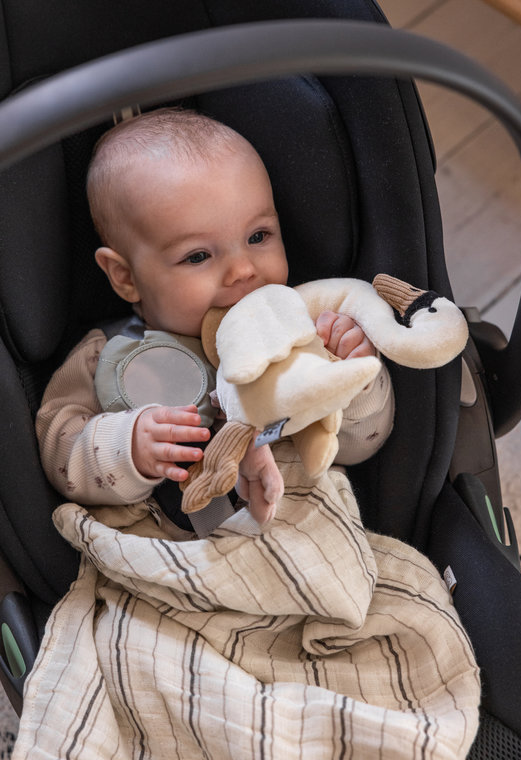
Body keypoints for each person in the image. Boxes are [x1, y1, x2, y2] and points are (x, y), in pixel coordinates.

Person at [36, 107, 393, 534]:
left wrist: (356, 379)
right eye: (198, 256)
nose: (243, 270)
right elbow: (58, 450)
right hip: (178, 571)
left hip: (314, 544)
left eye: (258, 236)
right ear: (126, 277)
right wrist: (128, 445)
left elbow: (363, 445)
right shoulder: (110, 359)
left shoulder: (304, 336)